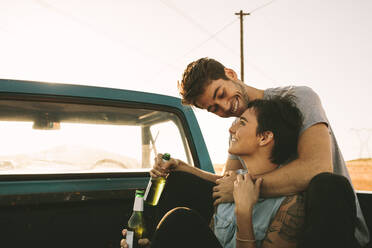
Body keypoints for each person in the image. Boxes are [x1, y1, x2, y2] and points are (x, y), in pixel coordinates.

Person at [176, 57, 369, 247]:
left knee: (327, 184)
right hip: (268, 225)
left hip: (325, 225)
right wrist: (182, 168)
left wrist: (240, 190)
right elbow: (229, 180)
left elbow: (317, 169)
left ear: (230, 74)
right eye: (214, 108)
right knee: (180, 187)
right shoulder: (239, 131)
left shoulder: (298, 99)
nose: (225, 107)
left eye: (221, 93)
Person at [121, 95, 306, 248]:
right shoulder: (228, 185)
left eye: (242, 123)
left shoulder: (290, 205)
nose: (231, 128)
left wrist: (243, 212)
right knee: (178, 183)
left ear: (264, 137)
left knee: (181, 220)